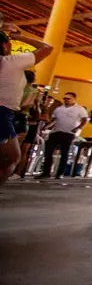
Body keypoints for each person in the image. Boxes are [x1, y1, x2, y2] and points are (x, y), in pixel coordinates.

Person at [0, 27, 52, 185]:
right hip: (3, 113)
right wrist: (20, 37)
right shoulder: (12, 62)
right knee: (12, 157)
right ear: (5, 45)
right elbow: (47, 48)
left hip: (7, 113)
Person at [38, 92, 89, 179]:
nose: (66, 100)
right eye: (64, 98)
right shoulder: (59, 109)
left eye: (68, 98)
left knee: (64, 153)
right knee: (48, 152)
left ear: (74, 99)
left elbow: (85, 120)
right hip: (56, 132)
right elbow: (54, 120)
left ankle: (60, 173)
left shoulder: (80, 109)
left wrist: (78, 128)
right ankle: (46, 172)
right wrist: (46, 126)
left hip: (68, 133)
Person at [15, 69, 43, 178]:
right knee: (23, 150)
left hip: (17, 117)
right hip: (27, 121)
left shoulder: (16, 89)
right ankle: (17, 172)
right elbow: (38, 112)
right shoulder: (34, 92)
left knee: (14, 147)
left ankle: (13, 171)